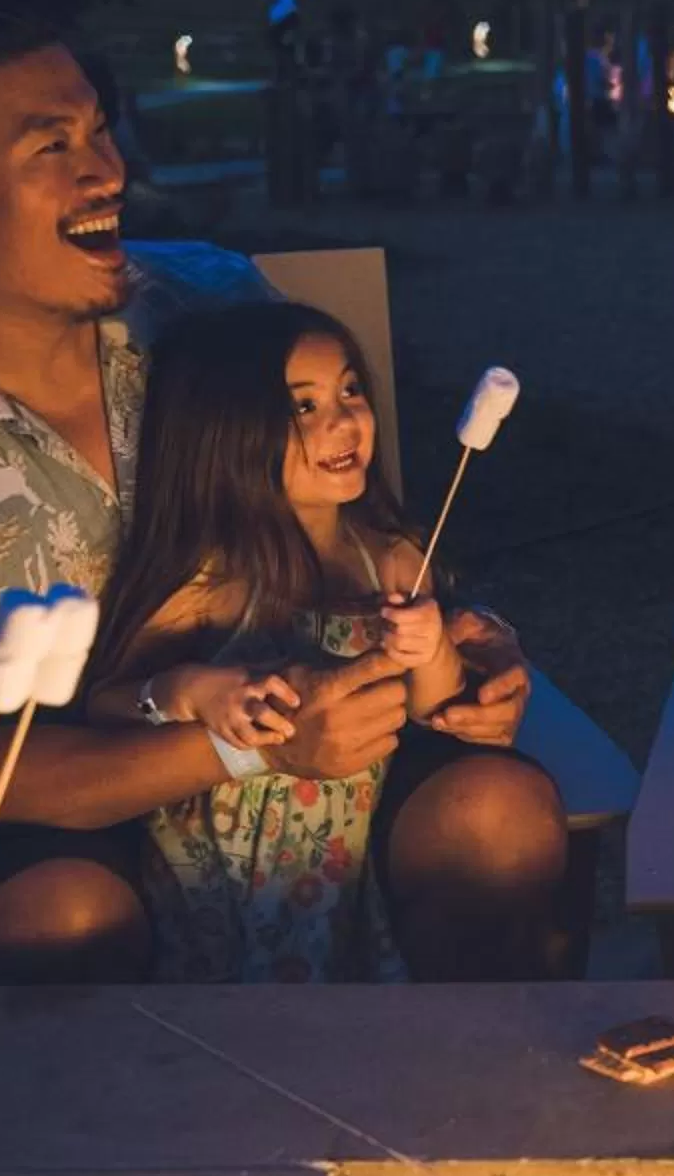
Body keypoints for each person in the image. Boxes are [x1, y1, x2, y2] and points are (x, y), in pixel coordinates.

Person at [0, 15, 559, 986]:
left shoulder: (214, 306)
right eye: (51, 146)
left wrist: (473, 647)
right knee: (56, 918)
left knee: (497, 820)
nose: (105, 169)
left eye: (99, 129)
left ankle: (456, 1116)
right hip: (70, 807)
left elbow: (366, 533)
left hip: (334, 778)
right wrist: (240, 753)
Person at [87, 303, 486, 979]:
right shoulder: (205, 578)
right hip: (212, 883)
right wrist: (184, 689)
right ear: (224, 432)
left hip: (340, 867)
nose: (345, 420)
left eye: (350, 390)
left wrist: (432, 649)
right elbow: (106, 705)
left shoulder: (388, 560)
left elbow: (437, 709)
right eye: (303, 406)